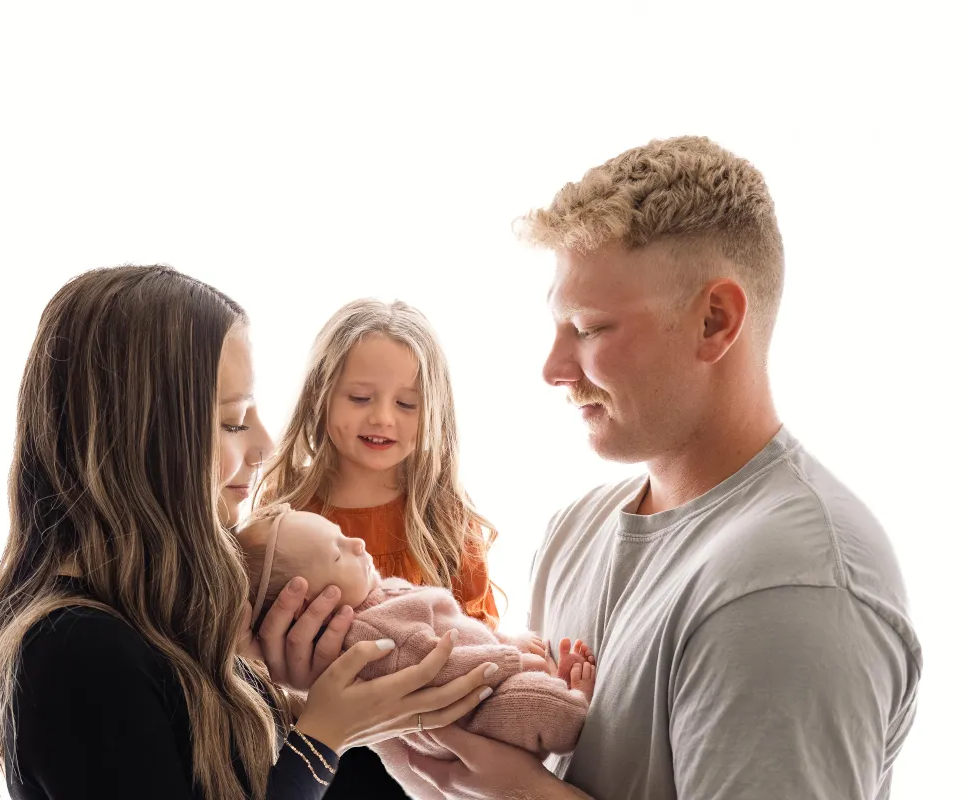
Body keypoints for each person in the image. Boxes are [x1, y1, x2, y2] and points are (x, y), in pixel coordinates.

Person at [402, 136, 923, 799]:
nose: (553, 369)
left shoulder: (790, 584)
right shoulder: (576, 531)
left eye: (590, 329)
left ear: (715, 321)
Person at [0, 265, 495, 800]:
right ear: (142, 440)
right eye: (232, 421)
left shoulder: (167, 619)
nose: (266, 445)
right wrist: (323, 738)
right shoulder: (79, 651)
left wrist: (293, 690)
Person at [258, 298, 544, 796]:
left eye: (406, 404)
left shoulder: (445, 519)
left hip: (430, 753)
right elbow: (252, 656)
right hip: (324, 752)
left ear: (432, 413)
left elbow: (476, 638)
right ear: (320, 397)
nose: (383, 418)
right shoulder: (287, 514)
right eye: (360, 397)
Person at [237, 503, 595, 798]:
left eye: (343, 535)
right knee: (541, 706)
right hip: (472, 716)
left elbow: (456, 628)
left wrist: (504, 640)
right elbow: (439, 665)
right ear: (308, 605)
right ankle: (573, 703)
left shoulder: (380, 594)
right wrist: (509, 659)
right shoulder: (368, 633)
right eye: (337, 555)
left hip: (471, 700)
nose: (358, 544)